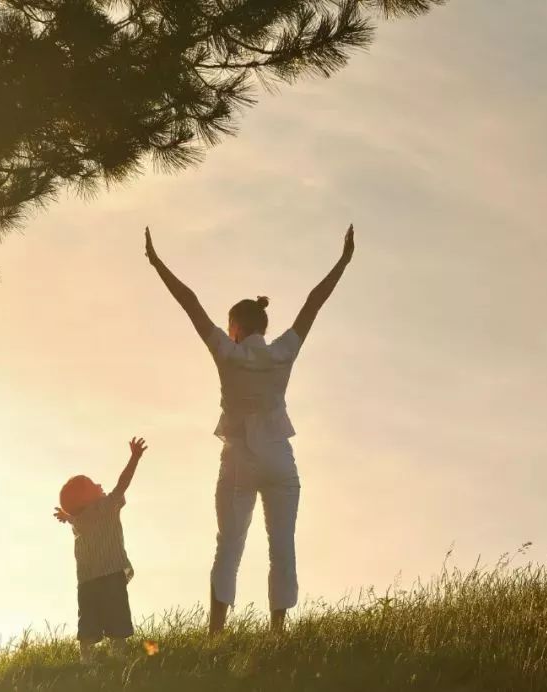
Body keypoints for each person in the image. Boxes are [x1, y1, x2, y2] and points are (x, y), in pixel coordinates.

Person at [144, 224, 355, 633]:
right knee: (282, 547)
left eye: (229, 326)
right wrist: (343, 261)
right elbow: (314, 302)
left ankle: (217, 632)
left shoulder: (228, 353)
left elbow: (189, 303)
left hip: (239, 459)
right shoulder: (282, 353)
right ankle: (278, 633)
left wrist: (156, 262)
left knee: (230, 546)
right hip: (278, 458)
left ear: (236, 327)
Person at [54, 436, 148, 662]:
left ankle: (86, 658)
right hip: (111, 575)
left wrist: (67, 516)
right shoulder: (106, 507)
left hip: (87, 582)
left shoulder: (79, 520)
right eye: (92, 484)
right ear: (86, 498)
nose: (98, 484)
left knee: (88, 620)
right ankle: (118, 654)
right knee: (117, 616)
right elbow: (122, 483)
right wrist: (134, 458)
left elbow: (76, 518)